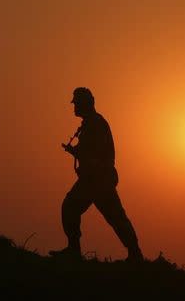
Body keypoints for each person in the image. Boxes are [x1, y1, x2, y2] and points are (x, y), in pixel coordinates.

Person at [49, 87, 143, 262]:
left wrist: (79, 153)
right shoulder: (92, 123)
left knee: (72, 207)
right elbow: (91, 151)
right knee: (115, 216)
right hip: (96, 179)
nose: (74, 107)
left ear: (85, 104)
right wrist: (76, 151)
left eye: (76, 103)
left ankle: (74, 251)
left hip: (96, 180)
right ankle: (135, 254)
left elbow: (97, 154)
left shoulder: (96, 124)